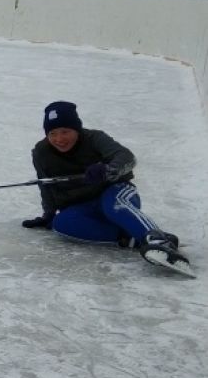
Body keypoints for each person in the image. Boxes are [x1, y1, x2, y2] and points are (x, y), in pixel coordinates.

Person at [22, 101, 191, 275]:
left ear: (77, 129)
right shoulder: (41, 152)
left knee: (113, 204)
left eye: (65, 131)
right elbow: (46, 184)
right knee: (62, 224)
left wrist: (108, 170)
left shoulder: (95, 138)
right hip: (84, 205)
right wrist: (48, 214)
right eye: (52, 133)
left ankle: (158, 241)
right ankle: (132, 238)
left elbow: (127, 157)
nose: (59, 139)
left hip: (116, 192)